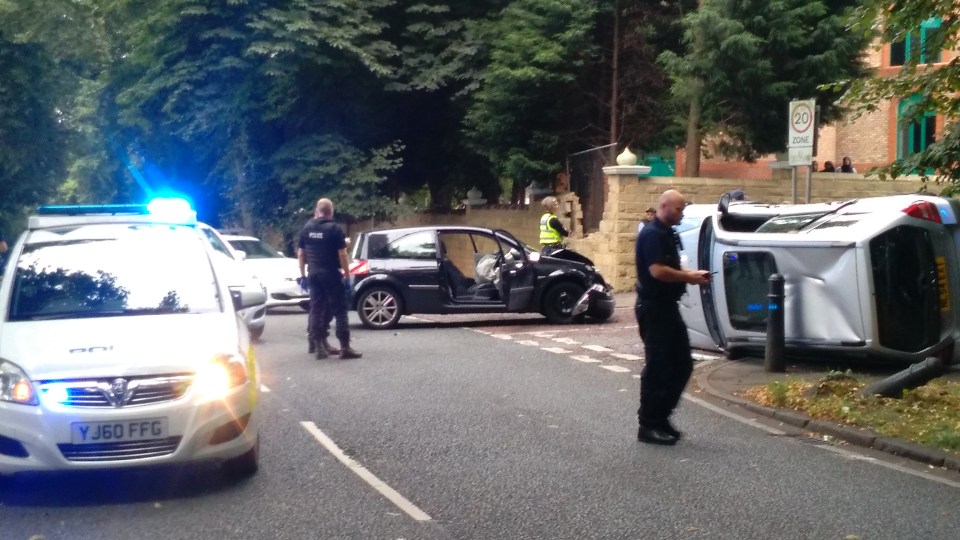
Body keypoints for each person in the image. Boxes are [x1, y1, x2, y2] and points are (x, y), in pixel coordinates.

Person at [634, 189, 711, 446]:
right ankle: (648, 425)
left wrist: (693, 273)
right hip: (654, 308)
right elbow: (657, 271)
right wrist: (689, 277)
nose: (682, 213)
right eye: (679, 209)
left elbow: (672, 268)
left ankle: (661, 417)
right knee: (657, 366)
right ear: (664, 206)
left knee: (682, 364)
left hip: (667, 306)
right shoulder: (652, 234)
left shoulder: (667, 232)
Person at [298, 198, 362, 359]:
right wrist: (347, 276)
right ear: (331, 212)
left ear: (317, 211)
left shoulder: (307, 228)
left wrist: (302, 275)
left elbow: (301, 254)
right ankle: (345, 348)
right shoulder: (334, 229)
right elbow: (342, 254)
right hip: (331, 273)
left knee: (316, 309)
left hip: (313, 273)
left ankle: (319, 346)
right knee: (340, 310)